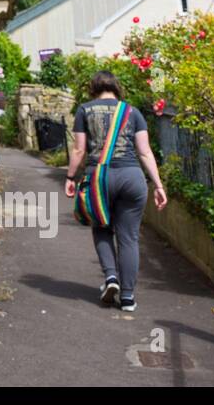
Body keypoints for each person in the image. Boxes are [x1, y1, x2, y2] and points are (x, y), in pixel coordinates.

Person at [64, 71, 167, 311]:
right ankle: (128, 297)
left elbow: (79, 150)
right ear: (116, 88)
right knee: (129, 238)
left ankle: (111, 278)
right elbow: (145, 152)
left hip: (99, 178)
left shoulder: (85, 110)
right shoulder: (133, 112)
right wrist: (159, 185)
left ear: (94, 88)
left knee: (101, 227)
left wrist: (70, 177)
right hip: (132, 177)